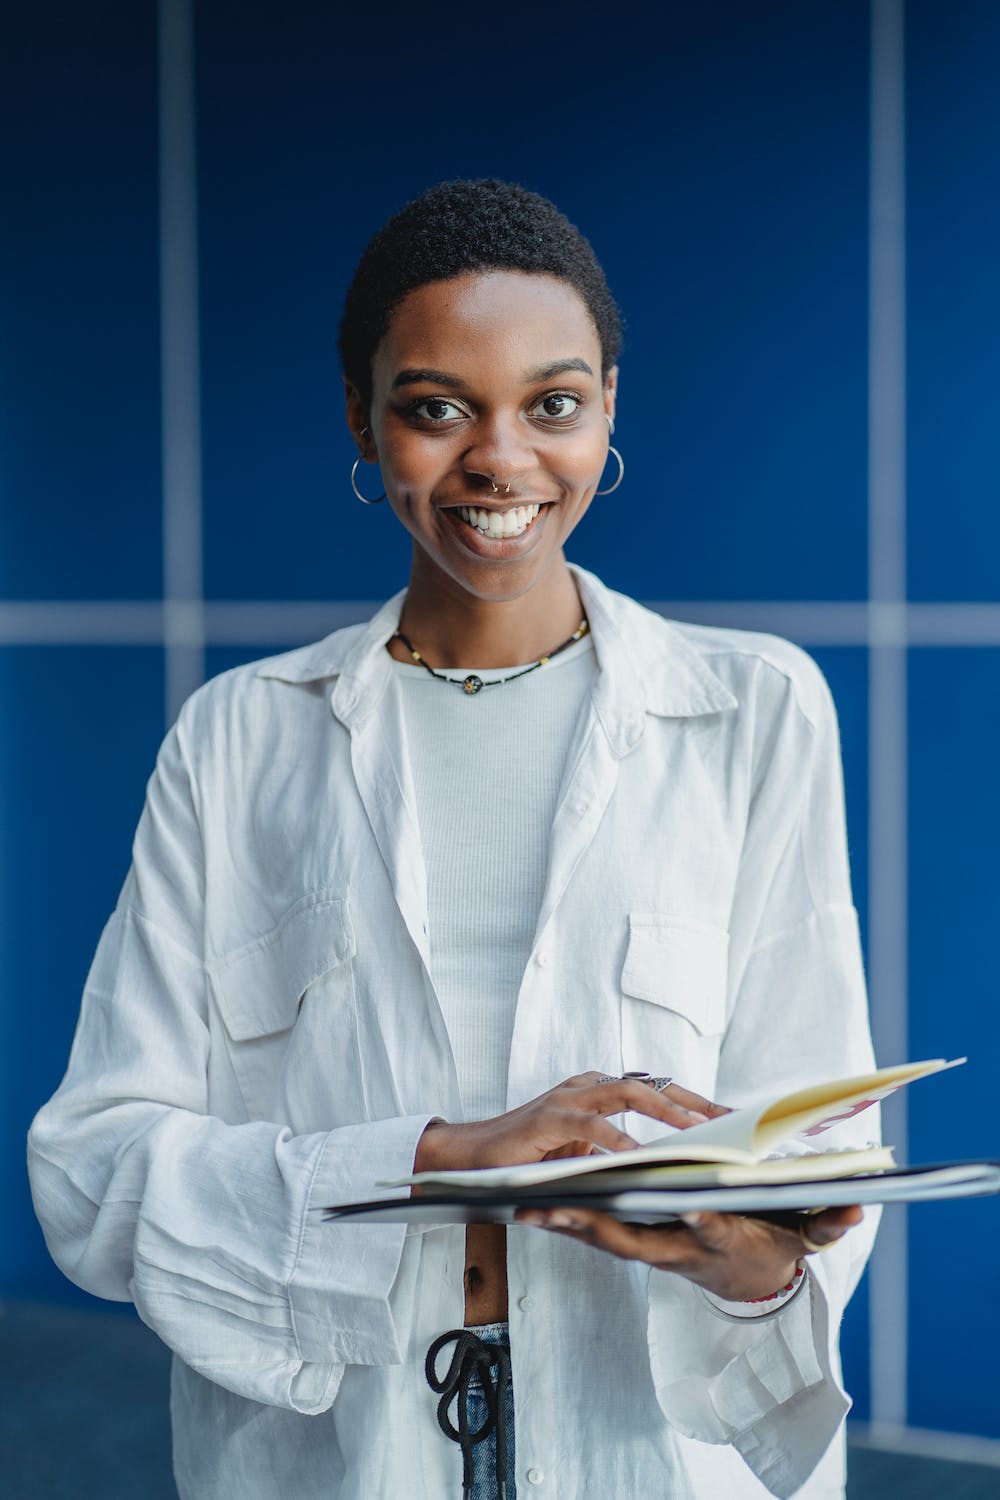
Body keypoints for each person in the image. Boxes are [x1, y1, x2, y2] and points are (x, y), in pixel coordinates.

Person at [29, 179, 877, 1499]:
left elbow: (817, 1141)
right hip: (335, 1456)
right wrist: (437, 1156)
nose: (500, 460)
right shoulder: (240, 739)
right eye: (436, 407)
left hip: (651, 1455)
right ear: (365, 421)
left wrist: (762, 1260)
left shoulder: (753, 713)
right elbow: (94, 1168)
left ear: (606, 412)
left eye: (553, 403)